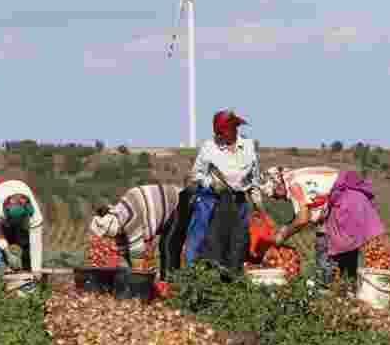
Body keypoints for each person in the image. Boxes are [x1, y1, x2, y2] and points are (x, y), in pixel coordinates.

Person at [185, 110, 263, 266]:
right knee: (200, 237)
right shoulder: (209, 147)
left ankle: (232, 278)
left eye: (222, 132)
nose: (219, 136)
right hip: (212, 199)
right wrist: (211, 183)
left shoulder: (248, 146)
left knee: (238, 241)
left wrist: (256, 199)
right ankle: (191, 272)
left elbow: (254, 176)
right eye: (217, 133)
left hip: (238, 200)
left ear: (234, 129)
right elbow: (196, 174)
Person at [260, 165, 341, 283]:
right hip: (346, 202)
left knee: (327, 250)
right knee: (327, 244)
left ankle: (330, 286)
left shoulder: (293, 185)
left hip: (345, 204)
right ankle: (340, 284)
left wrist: (283, 234)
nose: (279, 199)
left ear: (277, 186)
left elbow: (303, 218)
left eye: (275, 196)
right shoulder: (295, 177)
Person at [88, 185, 187, 276]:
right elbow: (123, 250)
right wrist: (124, 270)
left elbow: (137, 251)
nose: (109, 238)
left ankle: (172, 281)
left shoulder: (130, 216)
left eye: (108, 235)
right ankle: (165, 279)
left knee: (167, 246)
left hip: (178, 202)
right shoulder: (117, 220)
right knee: (162, 248)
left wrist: (136, 276)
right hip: (158, 208)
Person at [0, 178, 45, 273]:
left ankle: (27, 271)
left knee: (26, 239)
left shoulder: (34, 214)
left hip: (16, 189)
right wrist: (7, 251)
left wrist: (36, 270)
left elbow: (36, 240)